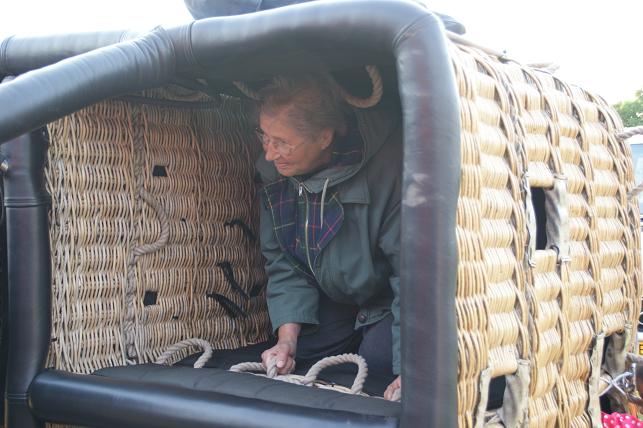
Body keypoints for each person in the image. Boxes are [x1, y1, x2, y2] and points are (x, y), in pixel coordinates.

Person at [255, 73, 402, 400]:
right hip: (334, 296)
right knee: (298, 355)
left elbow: (413, 276)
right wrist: (286, 341)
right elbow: (285, 263)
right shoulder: (275, 174)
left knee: (381, 362)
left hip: (388, 300)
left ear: (324, 137)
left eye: (282, 142)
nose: (269, 154)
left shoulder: (391, 170)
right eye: (264, 137)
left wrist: (414, 369)